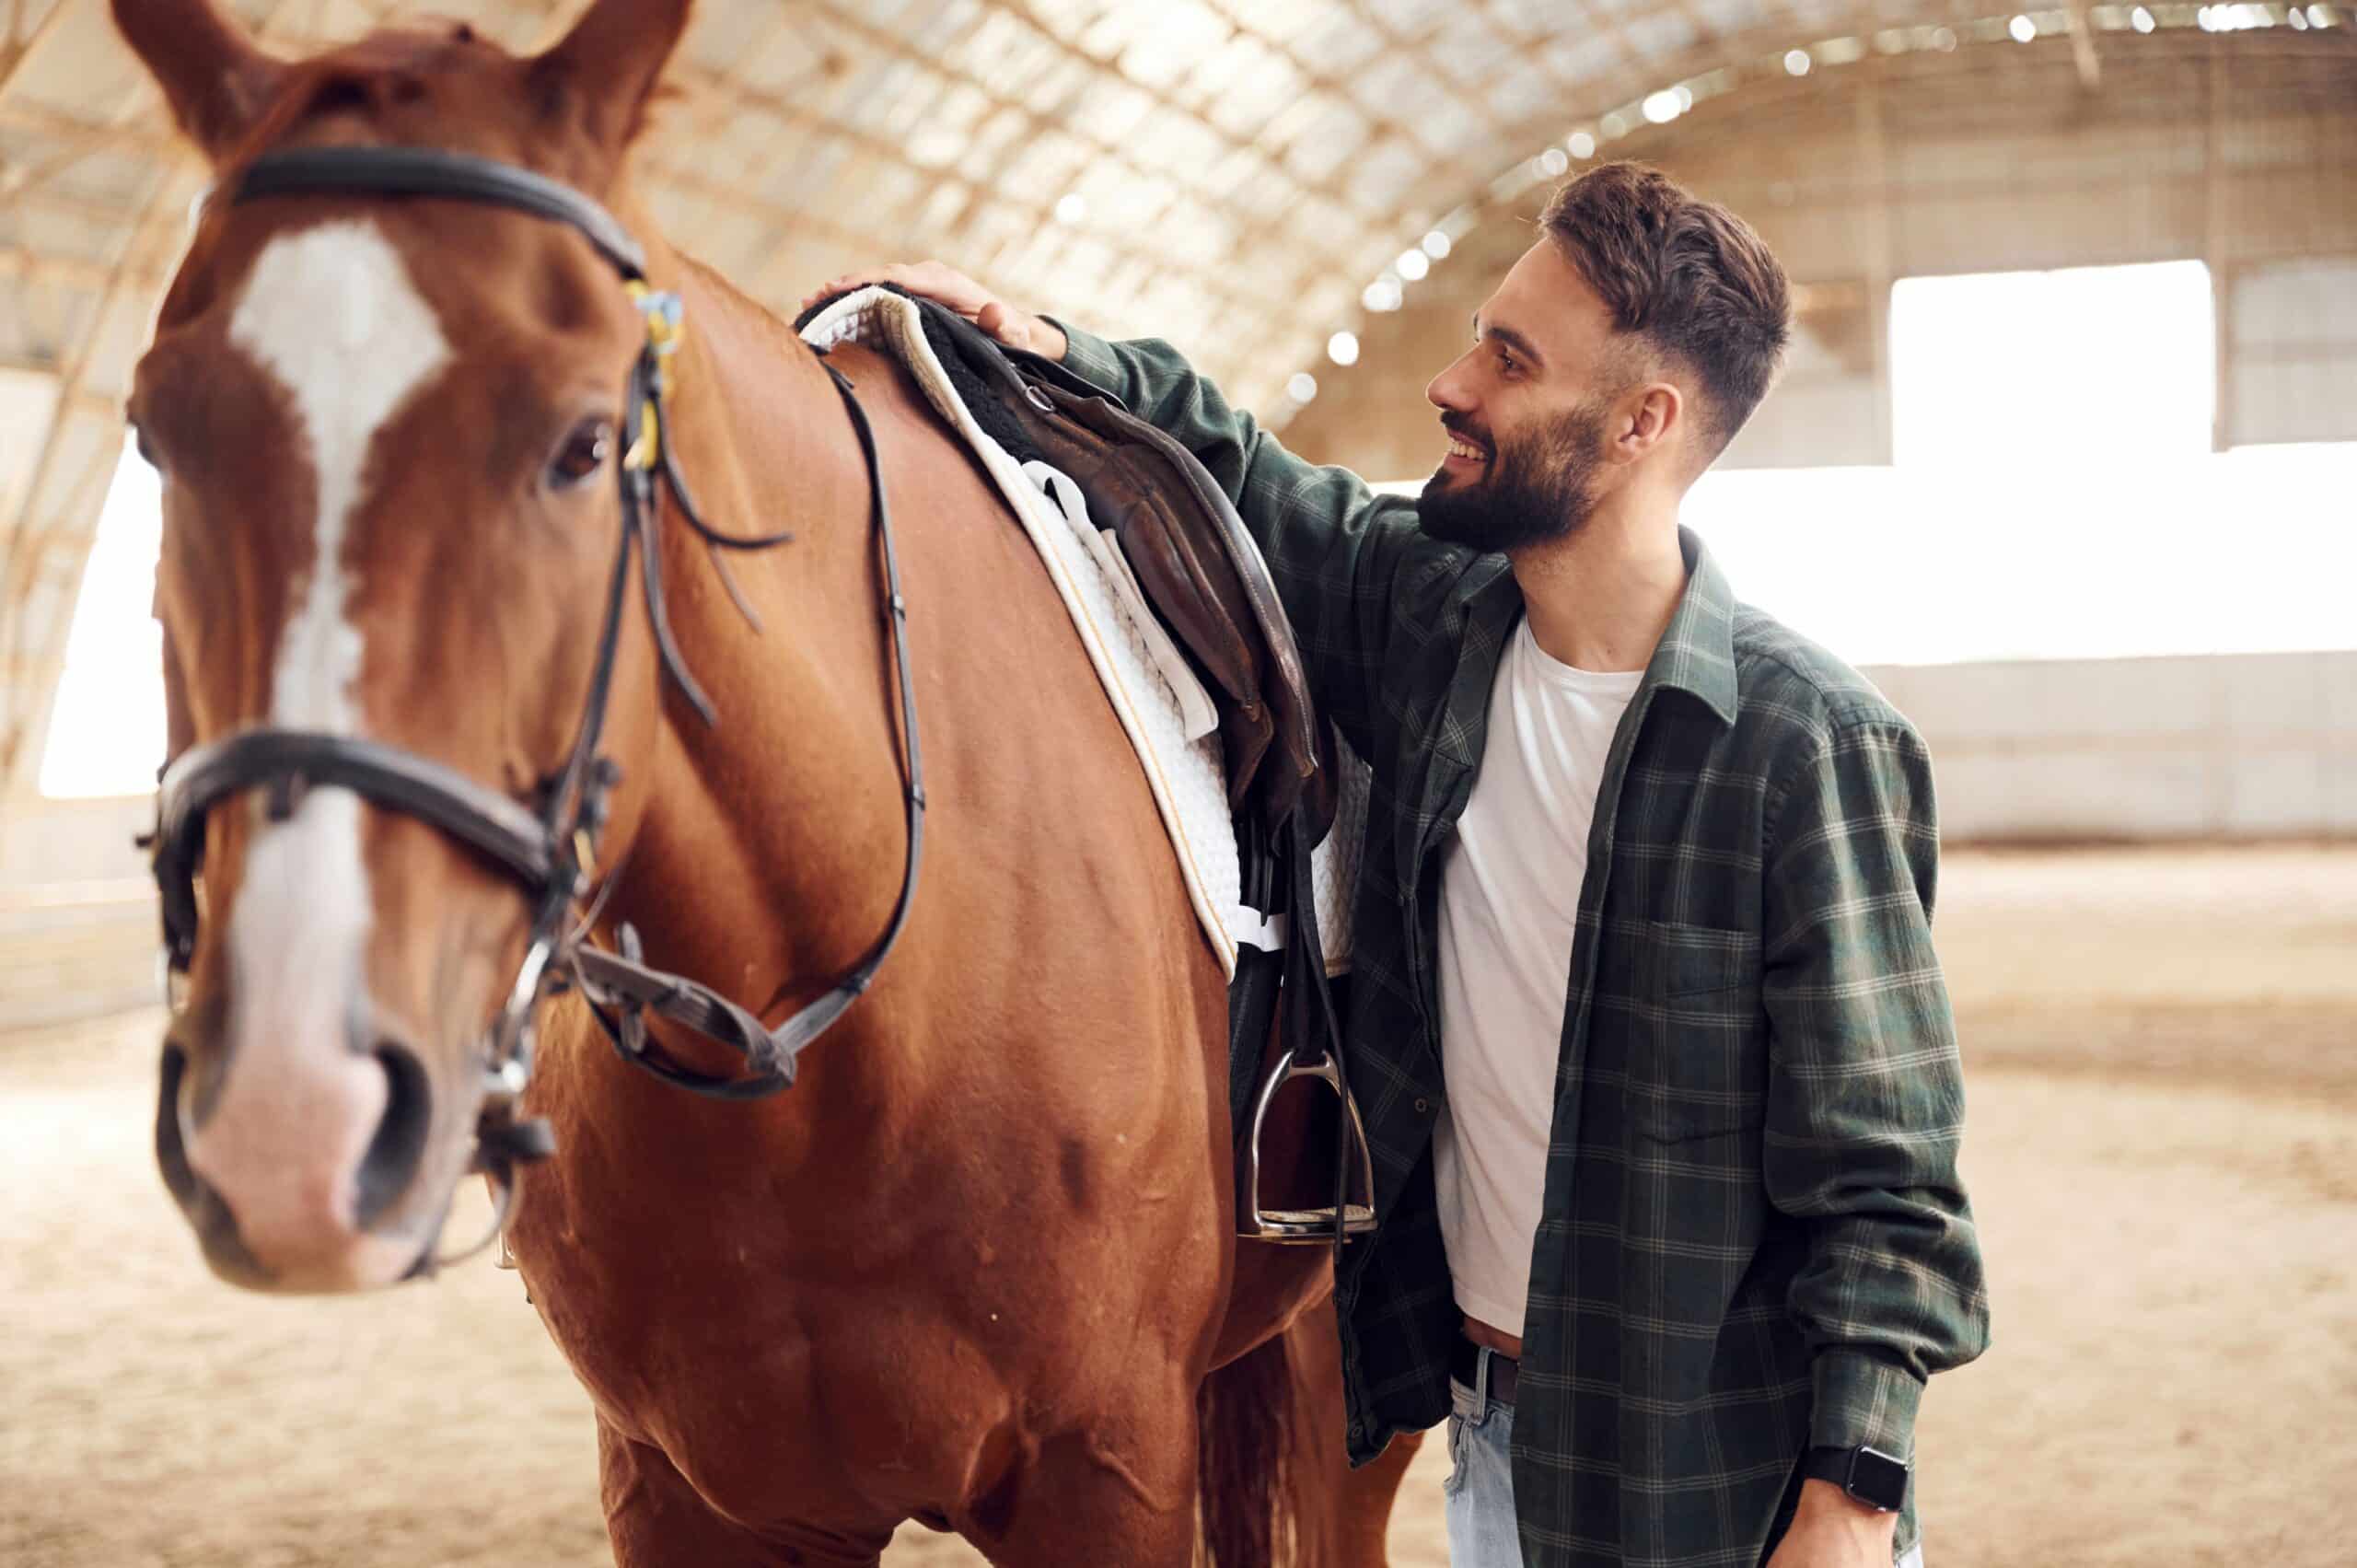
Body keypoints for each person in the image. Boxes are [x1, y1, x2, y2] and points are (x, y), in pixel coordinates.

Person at [809, 161, 1990, 1568]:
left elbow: (1887, 1185)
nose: (1451, 382)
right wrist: (1049, 349)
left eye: (1508, 358)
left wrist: (1849, 1504)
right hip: (1496, 1438)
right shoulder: (1435, 627)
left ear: (1641, 423)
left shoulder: (1810, 749)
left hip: (1722, 1472)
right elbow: (1240, 472)